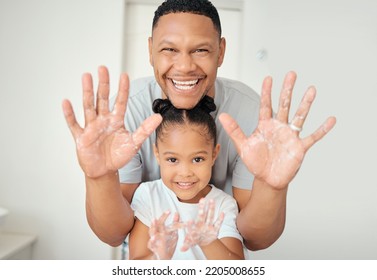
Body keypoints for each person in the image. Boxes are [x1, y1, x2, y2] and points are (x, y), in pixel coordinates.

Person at [62, 0, 336, 251]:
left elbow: (255, 238)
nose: (184, 66)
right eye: (169, 49)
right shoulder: (126, 112)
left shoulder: (251, 113)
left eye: (201, 50)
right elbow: (113, 233)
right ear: (150, 51)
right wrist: (98, 178)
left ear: (221, 52)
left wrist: (271, 187)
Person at [128, 96, 244, 260]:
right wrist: (159, 257)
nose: (185, 172)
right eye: (173, 160)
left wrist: (208, 243)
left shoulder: (224, 204)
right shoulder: (148, 196)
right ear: (157, 155)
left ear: (214, 155)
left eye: (197, 159)